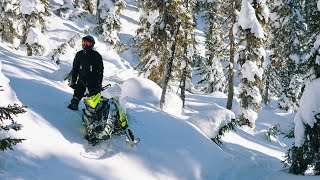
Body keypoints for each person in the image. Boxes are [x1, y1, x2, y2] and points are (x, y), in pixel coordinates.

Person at [68, 35, 104, 110]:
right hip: (81, 80)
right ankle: (72, 109)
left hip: (93, 81)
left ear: (92, 45)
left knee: (94, 101)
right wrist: (73, 81)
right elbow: (75, 69)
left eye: (88, 43)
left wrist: (99, 83)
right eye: (84, 43)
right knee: (76, 97)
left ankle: (93, 113)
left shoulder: (96, 56)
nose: (85, 45)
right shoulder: (79, 54)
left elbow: (100, 71)